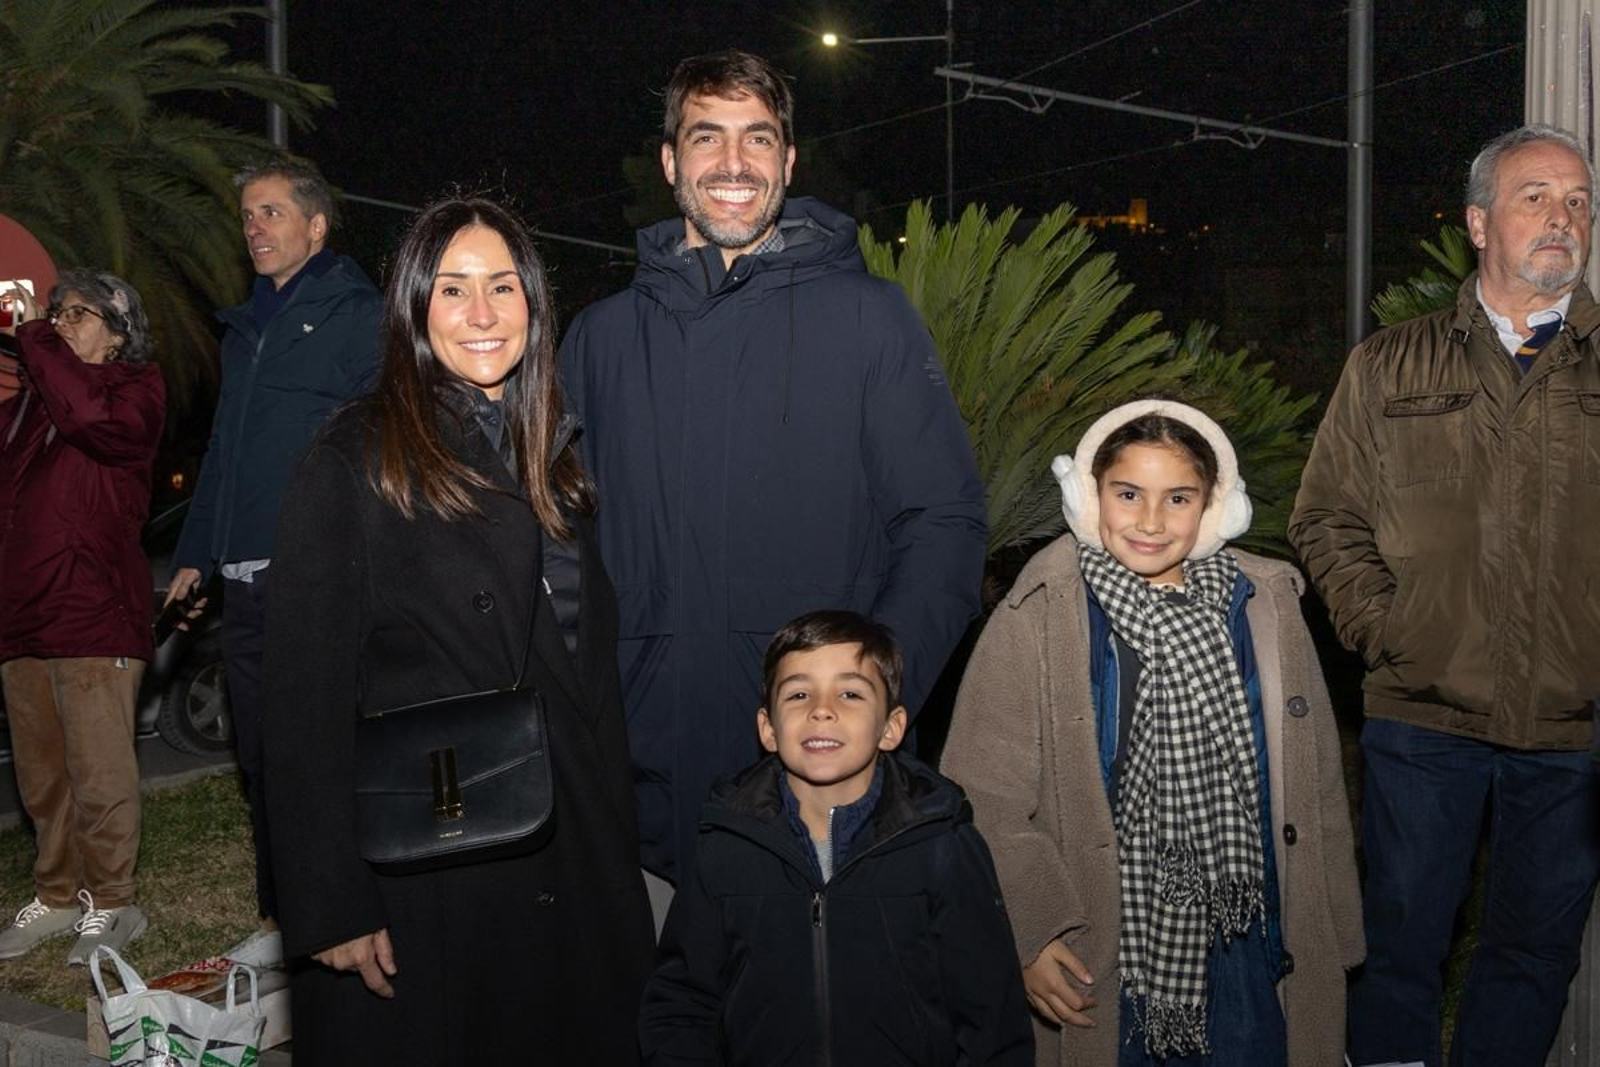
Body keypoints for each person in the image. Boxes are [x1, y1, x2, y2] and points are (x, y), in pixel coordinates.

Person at [559, 49, 987, 892]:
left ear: (788, 162)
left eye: (757, 139)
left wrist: (872, 691)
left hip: (821, 804)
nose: (732, 163)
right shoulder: (598, 341)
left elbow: (944, 523)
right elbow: (552, 546)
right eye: (706, 136)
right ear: (670, 162)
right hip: (632, 801)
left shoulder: (871, 320)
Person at [261, 196, 654, 1064]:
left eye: (504, 287)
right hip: (434, 864)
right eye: (453, 289)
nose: (482, 314)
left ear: (534, 307)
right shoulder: (357, 459)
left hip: (569, 843)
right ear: (413, 310)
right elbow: (298, 701)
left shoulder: (555, 453)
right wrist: (331, 899)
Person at [1289, 123, 1600, 1067]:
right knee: (1399, 949)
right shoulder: (1389, 364)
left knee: (1533, 952)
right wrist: (1390, 632)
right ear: (1478, 221)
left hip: (1575, 726)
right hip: (1423, 716)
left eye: (1579, 201)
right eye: (1536, 197)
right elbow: (1325, 518)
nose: (1563, 217)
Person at [943, 400, 1364, 1066]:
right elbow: (982, 792)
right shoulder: (1041, 611)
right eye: (1128, 493)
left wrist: (1332, 926)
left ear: (1214, 508)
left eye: (1178, 497)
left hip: (1252, 930)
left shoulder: (1265, 605)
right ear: (1090, 496)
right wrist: (1031, 929)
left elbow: (1316, 783)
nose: (1149, 520)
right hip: (1113, 943)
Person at [639, 609, 1032, 1065]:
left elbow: (992, 1020)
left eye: (849, 693)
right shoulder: (726, 843)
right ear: (768, 729)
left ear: (891, 728)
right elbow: (682, 1002)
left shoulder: (941, 846)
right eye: (799, 693)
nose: (821, 710)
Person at [166, 159, 382, 923]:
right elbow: (224, 451)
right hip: (247, 579)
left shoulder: (358, 313)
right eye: (248, 215)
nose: (254, 226)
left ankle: (350, 905)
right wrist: (197, 552)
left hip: (319, 572)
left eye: (271, 212)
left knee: (324, 751)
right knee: (259, 752)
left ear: (315, 227)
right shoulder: (244, 330)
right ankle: (283, 912)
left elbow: (381, 439)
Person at [0, 273, 165, 965]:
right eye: (56, 312)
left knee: (98, 770)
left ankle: (116, 902)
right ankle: (59, 895)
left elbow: (88, 418)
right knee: (42, 775)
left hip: (93, 611)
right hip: (22, 617)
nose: (61, 321)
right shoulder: (25, 411)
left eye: (79, 314)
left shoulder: (135, 392)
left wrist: (35, 335)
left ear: (120, 334)